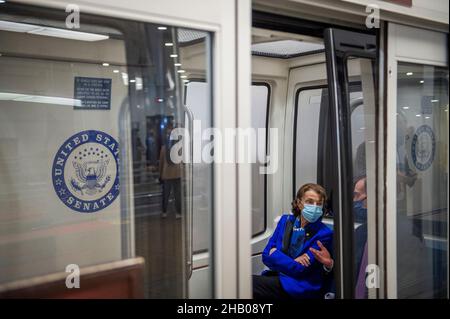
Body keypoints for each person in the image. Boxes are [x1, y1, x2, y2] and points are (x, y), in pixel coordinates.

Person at [253, 183, 334, 299]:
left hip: (299, 285)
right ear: (299, 203)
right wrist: (292, 261)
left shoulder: (324, 234)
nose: (315, 207)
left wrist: (275, 254)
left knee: (248, 284)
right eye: (310, 202)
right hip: (278, 276)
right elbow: (266, 255)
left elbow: (300, 269)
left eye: (319, 204)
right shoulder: (285, 221)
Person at [159, 124, 182, 219]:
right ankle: (178, 213)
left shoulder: (164, 148)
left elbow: (161, 163)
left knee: (165, 194)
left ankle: (164, 212)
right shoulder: (179, 148)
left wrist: (160, 175)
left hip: (167, 174)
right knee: (177, 195)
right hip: (177, 174)